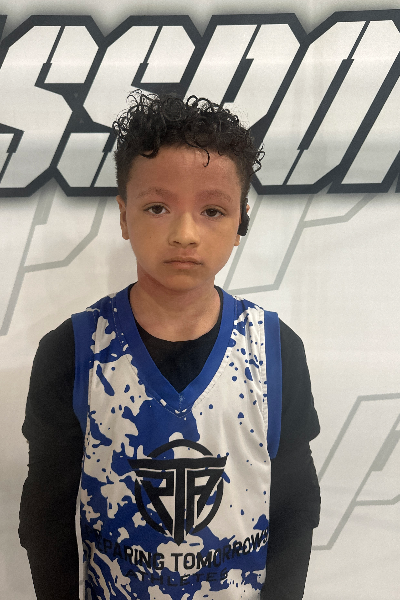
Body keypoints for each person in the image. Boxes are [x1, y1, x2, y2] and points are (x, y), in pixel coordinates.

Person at [19, 92, 320, 600]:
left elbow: (296, 508)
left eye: (212, 210)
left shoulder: (274, 350)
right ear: (124, 215)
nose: (185, 234)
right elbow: (44, 518)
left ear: (240, 221)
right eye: (158, 207)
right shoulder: (73, 350)